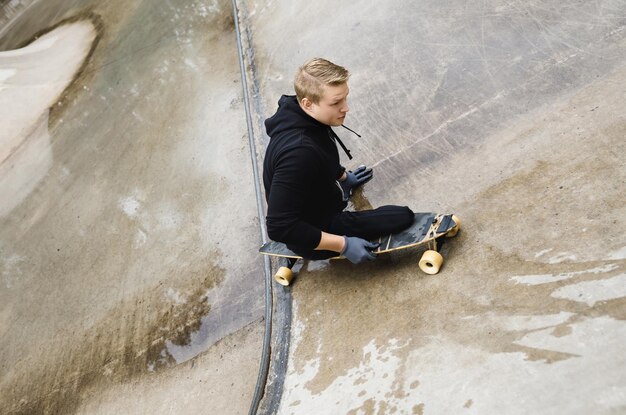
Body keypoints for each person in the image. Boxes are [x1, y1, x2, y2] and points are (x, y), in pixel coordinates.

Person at [262, 58, 414, 264]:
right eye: (336, 103)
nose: (346, 108)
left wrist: (343, 177)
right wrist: (344, 244)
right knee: (403, 216)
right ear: (308, 103)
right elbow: (279, 227)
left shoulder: (301, 113)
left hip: (320, 201)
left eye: (345, 98)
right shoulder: (298, 155)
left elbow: (322, 153)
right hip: (314, 231)